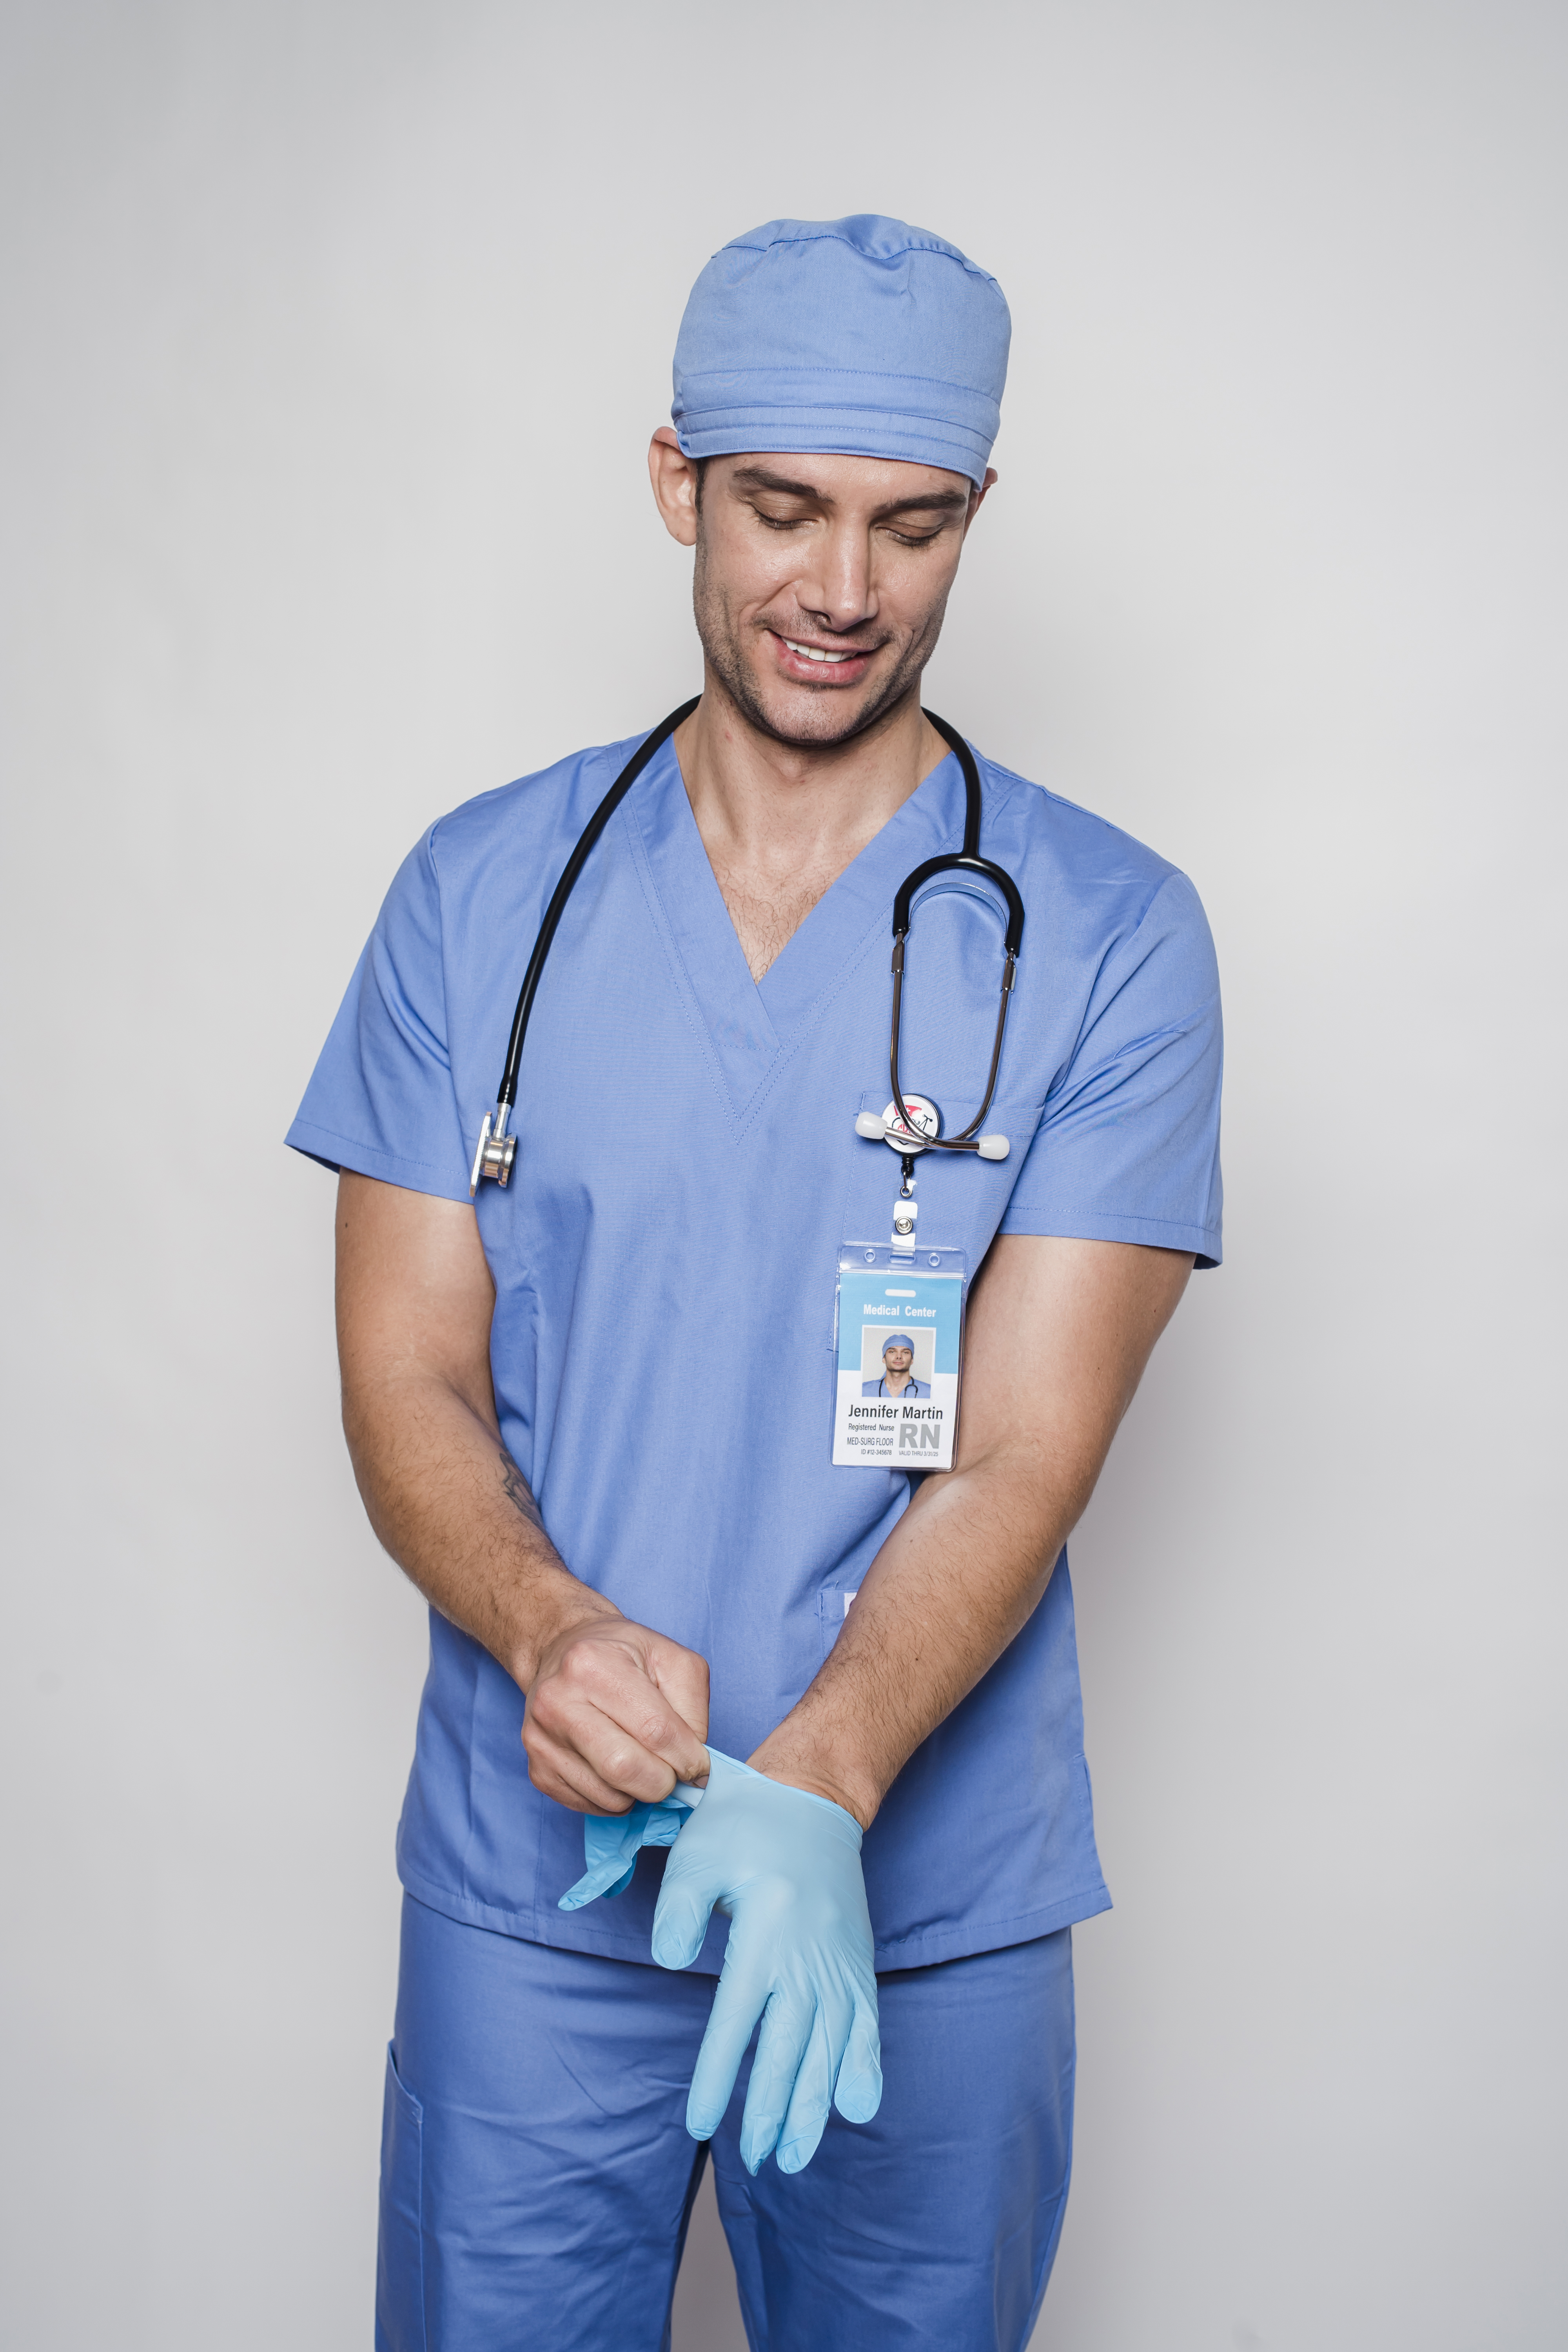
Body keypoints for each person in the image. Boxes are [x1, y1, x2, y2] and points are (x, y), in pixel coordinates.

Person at [289, 214, 1223, 2352]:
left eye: (915, 525)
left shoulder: (1110, 935)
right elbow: (407, 1379)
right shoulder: (479, 898)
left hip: (924, 1899)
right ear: (673, 483)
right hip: (542, 1897)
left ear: (975, 522)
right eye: (784, 508)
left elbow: (1023, 1444)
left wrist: (826, 1778)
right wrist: (551, 1628)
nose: (841, 588)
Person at [863, 1333, 928, 1398]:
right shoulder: (864, 1391)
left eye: (905, 1353)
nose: (899, 1357)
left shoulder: (928, 1392)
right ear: (884, 1359)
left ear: (912, 1360)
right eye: (892, 1352)